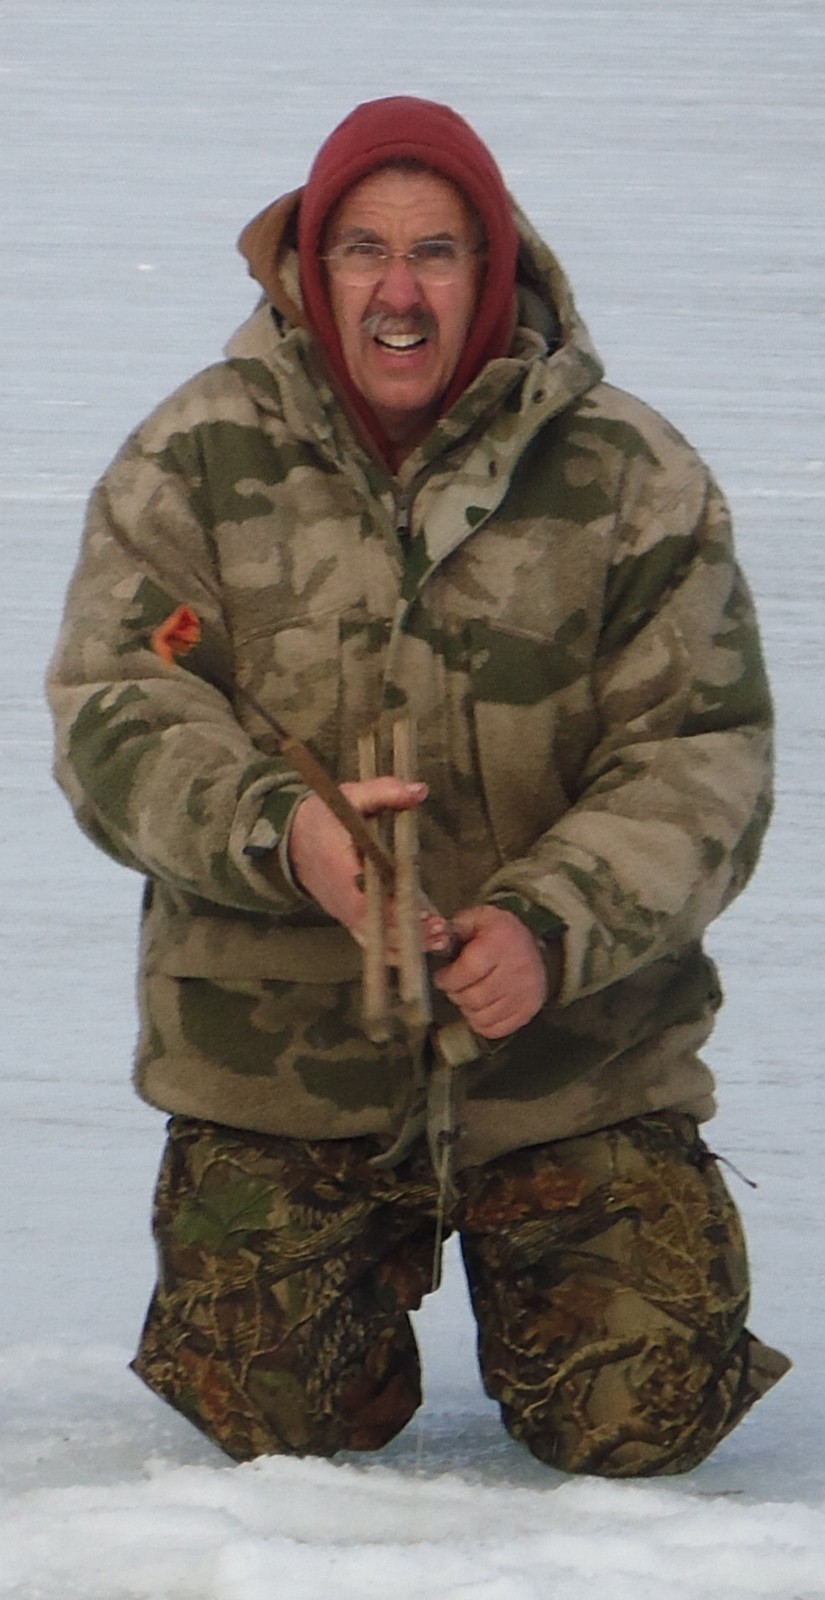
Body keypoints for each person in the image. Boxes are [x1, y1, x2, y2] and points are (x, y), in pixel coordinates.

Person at [47, 95, 790, 1477]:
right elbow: (118, 709)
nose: (398, 291)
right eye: (364, 250)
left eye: (436, 252)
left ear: (491, 268)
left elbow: (703, 753)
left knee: (642, 1428)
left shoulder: (631, 475)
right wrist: (284, 834)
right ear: (310, 267)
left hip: (572, 1072)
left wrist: (552, 926)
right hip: (284, 1075)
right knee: (274, 1431)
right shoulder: (190, 457)